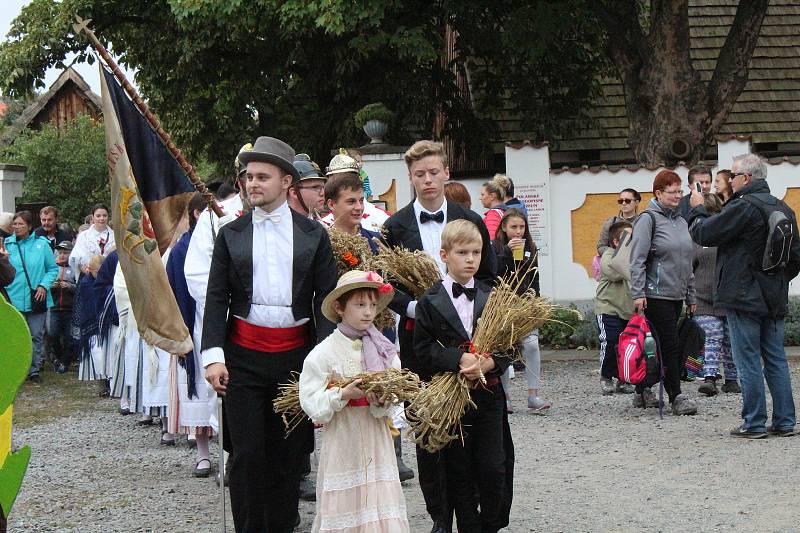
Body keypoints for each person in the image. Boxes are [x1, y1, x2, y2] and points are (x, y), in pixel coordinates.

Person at [202, 136, 337, 532]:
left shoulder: (314, 235)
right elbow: (216, 297)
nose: (252, 183)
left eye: (263, 176)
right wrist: (213, 355)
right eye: (248, 176)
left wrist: (325, 361)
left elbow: (326, 302)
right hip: (242, 358)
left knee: (289, 456)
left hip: (296, 360)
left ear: (286, 183)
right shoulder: (231, 234)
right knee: (245, 455)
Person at [381, 140, 496, 533]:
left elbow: (489, 276)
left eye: (434, 172)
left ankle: (472, 511)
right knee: (430, 431)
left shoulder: (469, 218)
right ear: (410, 177)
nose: (427, 180)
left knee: (472, 428)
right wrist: (415, 308)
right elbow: (384, 283)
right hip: (419, 341)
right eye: (419, 174)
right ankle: (439, 517)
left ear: (446, 173)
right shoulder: (395, 226)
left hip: (470, 339)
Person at [689, 153, 800, 438]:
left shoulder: (743, 207)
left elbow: (704, 234)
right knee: (775, 359)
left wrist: (698, 209)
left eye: (734, 175)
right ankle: (785, 422)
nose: (731, 180)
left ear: (746, 178)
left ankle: (754, 423)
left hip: (742, 296)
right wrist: (775, 281)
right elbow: (796, 258)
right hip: (773, 297)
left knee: (747, 359)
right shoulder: (783, 207)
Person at [414, 219, 514, 533]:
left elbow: (511, 346)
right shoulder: (429, 302)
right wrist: (458, 357)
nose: (471, 259)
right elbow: (422, 350)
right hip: (450, 402)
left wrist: (490, 363)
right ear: (444, 255)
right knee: (458, 469)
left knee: (493, 467)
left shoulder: (492, 296)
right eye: (462, 253)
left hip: (488, 396)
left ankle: (491, 523)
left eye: (476, 252)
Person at [299, 270, 410, 532]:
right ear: (340, 307)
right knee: (347, 503)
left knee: (379, 499)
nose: (368, 312)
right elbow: (310, 400)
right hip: (343, 437)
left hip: (376, 436)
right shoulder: (324, 352)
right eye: (360, 305)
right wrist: (342, 394)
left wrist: (383, 398)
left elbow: (396, 391)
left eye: (372, 305)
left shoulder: (383, 348)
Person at [629, 170, 697, 415]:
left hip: (677, 293)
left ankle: (641, 389)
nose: (678, 196)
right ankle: (676, 395)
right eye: (673, 192)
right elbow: (636, 259)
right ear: (658, 193)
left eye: (680, 191)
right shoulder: (648, 219)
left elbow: (687, 261)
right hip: (655, 294)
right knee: (670, 344)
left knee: (659, 345)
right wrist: (638, 293)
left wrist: (691, 295)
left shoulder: (680, 221)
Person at [166, 192, 214, 477]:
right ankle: (203, 453)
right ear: (199, 214)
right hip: (194, 324)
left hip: (223, 323)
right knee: (196, 387)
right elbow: (175, 287)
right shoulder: (183, 248)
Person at [492, 208, 551, 412]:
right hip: (503, 305)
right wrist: (507, 253)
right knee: (505, 349)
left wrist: (534, 299)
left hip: (525, 304)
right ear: (504, 228)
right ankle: (505, 397)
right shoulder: (495, 247)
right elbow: (495, 274)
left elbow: (534, 276)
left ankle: (533, 396)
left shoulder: (530, 247)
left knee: (532, 345)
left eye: (521, 227)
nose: (518, 231)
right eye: (513, 227)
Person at [691, 194, 739, 397]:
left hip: (726, 297)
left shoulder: (728, 234)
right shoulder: (696, 235)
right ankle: (710, 378)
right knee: (713, 336)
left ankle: (731, 379)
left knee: (729, 339)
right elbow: (689, 267)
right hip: (702, 299)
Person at [4, 211, 59, 382]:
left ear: (29, 226)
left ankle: (34, 369)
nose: (17, 227)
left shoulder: (42, 245)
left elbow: (53, 269)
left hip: (37, 298)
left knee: (35, 334)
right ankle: (17, 369)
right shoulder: (7, 245)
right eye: (15, 224)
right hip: (12, 297)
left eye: (21, 224)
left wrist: (43, 285)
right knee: (16, 335)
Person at [595, 220, 636, 395]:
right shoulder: (609, 255)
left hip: (628, 310)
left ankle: (623, 378)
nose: (632, 241)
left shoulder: (634, 257)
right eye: (628, 238)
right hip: (608, 308)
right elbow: (613, 272)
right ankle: (606, 376)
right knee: (610, 341)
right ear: (616, 242)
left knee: (626, 346)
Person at [320, 150, 390, 232]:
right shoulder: (321, 226)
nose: (358, 207)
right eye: (336, 179)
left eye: (348, 177)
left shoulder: (382, 219)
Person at [75, 255, 106, 384]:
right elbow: (90, 303)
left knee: (106, 354)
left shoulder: (107, 282)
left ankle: (109, 381)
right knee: (97, 353)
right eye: (95, 271)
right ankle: (102, 383)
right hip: (92, 322)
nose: (98, 275)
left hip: (105, 322)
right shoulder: (86, 283)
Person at [49, 241, 77, 374]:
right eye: (60, 252)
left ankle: (65, 362)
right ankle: (58, 358)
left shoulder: (74, 268)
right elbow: (45, 283)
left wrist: (70, 286)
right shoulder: (52, 267)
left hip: (69, 308)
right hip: (54, 308)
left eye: (66, 253)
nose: (63, 255)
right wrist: (52, 286)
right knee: (53, 334)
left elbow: (79, 287)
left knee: (68, 337)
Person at [69, 204, 115, 280]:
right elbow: (74, 258)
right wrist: (82, 267)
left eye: (104, 215)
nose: (102, 218)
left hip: (110, 277)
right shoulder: (83, 236)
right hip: (88, 276)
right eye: (98, 216)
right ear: (93, 217)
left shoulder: (114, 236)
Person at [596, 188, 641, 255]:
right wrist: (616, 254)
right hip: (613, 263)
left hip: (635, 263)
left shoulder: (642, 222)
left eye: (627, 201)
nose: (623, 203)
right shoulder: (610, 222)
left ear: (636, 202)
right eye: (620, 201)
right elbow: (601, 247)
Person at [288, 153, 327, 219]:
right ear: (294, 193)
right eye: (315, 187)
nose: (322, 193)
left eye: (323, 187)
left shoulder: (318, 224)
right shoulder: (283, 227)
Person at [479, 174, 510, 240]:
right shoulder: (505, 211)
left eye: (482, 194)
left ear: (492, 196)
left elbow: (492, 241)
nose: (480, 198)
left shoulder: (494, 214)